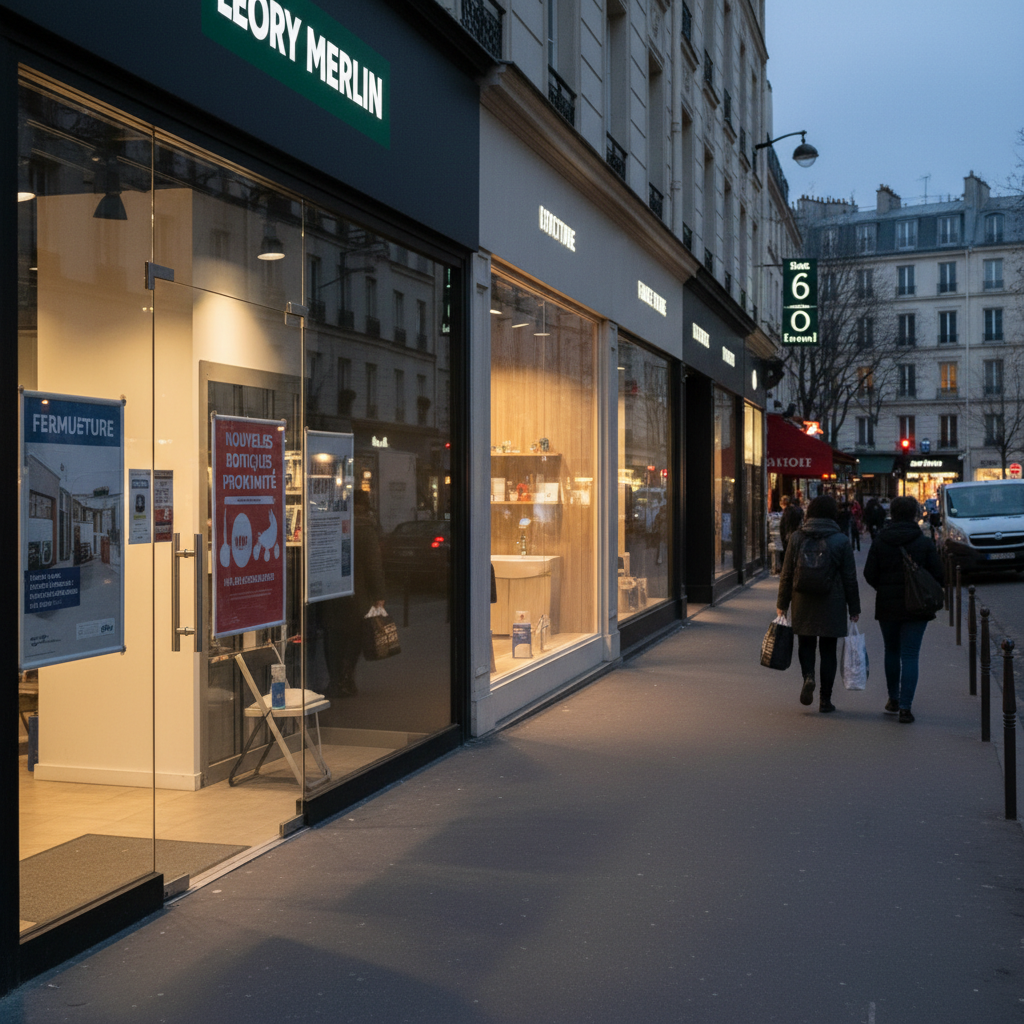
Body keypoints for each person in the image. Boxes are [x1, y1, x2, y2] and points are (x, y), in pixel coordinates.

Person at [862, 495, 944, 723]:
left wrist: (884, 588)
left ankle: (893, 698)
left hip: (888, 604)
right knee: (910, 654)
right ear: (915, 514)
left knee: (891, 651)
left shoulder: (881, 541)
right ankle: (906, 708)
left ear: (893, 514)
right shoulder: (923, 542)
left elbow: (869, 573)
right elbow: (939, 575)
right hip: (917, 607)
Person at [776, 494, 861, 713]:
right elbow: (850, 578)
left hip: (802, 598)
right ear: (833, 513)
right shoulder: (841, 540)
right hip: (832, 599)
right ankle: (825, 699)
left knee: (806, 643)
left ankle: (808, 677)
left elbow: (786, 573)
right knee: (828, 649)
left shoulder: (796, 538)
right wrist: (854, 608)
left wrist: (782, 603)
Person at [779, 494, 804, 563]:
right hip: (797, 534)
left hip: (789, 535)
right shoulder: (798, 510)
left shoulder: (787, 512)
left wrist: (783, 537)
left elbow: (784, 526)